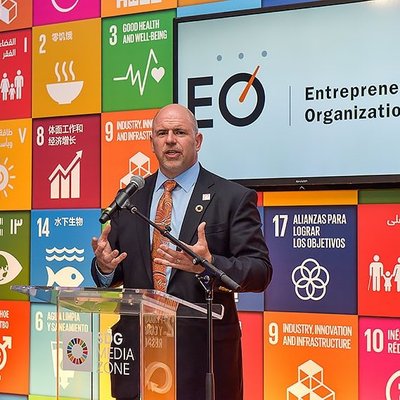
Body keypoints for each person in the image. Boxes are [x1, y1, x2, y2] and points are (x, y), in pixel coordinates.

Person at [91, 103, 272, 400]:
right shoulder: (129, 197)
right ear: (152, 143)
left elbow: (260, 271)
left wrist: (209, 264)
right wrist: (106, 267)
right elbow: (118, 270)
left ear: (197, 141)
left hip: (203, 362)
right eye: (161, 133)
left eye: (179, 132)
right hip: (137, 361)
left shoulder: (232, 198)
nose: (170, 140)